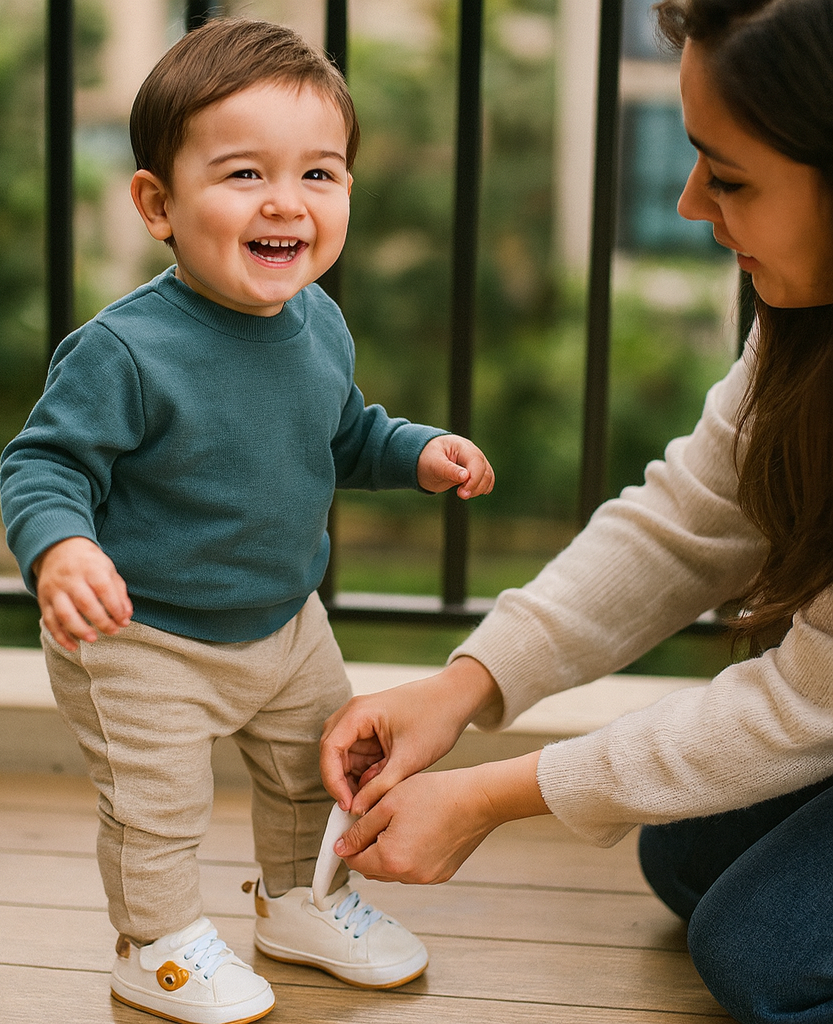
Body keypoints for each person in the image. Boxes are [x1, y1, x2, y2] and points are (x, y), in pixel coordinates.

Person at [319, 2, 833, 1022]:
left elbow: (801, 706)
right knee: (681, 850)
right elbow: (684, 520)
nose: (690, 202)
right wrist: (466, 682)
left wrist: (484, 796)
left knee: (761, 958)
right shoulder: (801, 325)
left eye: (727, 177)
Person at [0, 17, 493, 1024]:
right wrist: (63, 545)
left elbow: (340, 432)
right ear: (157, 204)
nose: (285, 202)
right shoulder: (125, 350)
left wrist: (412, 453)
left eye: (320, 174)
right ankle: (158, 945)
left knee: (317, 772)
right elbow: (43, 461)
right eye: (241, 175)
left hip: (284, 620)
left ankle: (301, 900)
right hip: (143, 639)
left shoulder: (318, 319)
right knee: (158, 809)